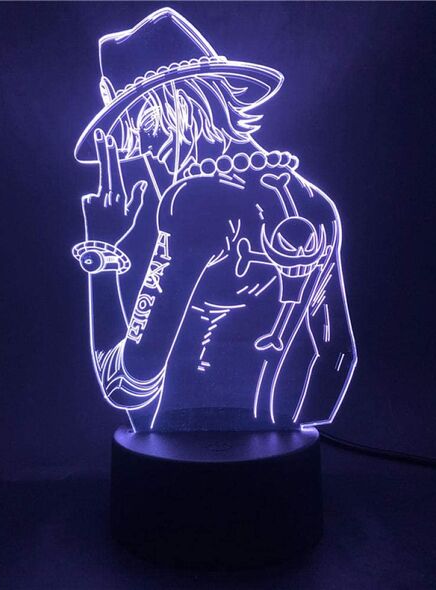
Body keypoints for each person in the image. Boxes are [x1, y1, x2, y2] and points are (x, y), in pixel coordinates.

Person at [72, 8, 357, 432]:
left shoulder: (192, 202)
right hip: (273, 446)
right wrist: (286, 435)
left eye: (137, 134)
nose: (143, 154)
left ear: (157, 114)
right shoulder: (313, 201)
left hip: (181, 451)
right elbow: (337, 354)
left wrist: (102, 252)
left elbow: (125, 388)